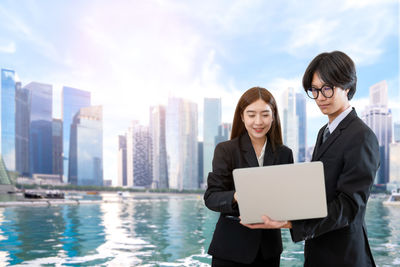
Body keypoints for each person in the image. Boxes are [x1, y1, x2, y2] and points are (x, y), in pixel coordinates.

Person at [243, 51, 380, 267]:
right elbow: (319, 191)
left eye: (327, 89)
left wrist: (291, 222)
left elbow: (350, 205)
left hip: (344, 256)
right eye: (314, 90)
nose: (320, 98)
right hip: (318, 251)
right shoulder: (323, 132)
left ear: (347, 87)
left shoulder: (362, 136)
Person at [204, 87, 294, 267]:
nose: (258, 122)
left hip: (269, 251)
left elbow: (287, 200)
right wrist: (237, 196)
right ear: (242, 116)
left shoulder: (284, 154)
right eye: (251, 114)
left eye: (265, 114)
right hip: (230, 249)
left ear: (274, 115)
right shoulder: (226, 150)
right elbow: (211, 197)